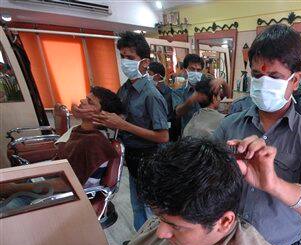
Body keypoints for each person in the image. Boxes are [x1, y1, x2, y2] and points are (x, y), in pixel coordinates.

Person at [78, 138, 300, 245]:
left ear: (224, 221)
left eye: (175, 226)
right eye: (159, 219)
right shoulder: (173, 219)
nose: (160, 233)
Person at [213, 24, 301, 245]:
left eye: (275, 77)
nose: (262, 83)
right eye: (256, 75)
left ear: (295, 80)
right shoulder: (229, 125)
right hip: (225, 244)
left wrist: (274, 184)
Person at [74, 31, 169, 231]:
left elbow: (163, 136)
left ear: (144, 62)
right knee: (137, 206)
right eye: (122, 57)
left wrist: (124, 125)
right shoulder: (124, 90)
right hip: (132, 158)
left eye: (130, 58)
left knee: (151, 209)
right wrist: (94, 117)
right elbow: (117, 119)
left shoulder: (152, 95)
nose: (125, 62)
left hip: (150, 159)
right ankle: (139, 243)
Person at [172, 54, 231, 131]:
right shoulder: (179, 90)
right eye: (192, 69)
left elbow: (227, 95)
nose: (196, 72)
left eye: (199, 70)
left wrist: (223, 83)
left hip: (209, 130)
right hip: (189, 132)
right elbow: (178, 112)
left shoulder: (208, 86)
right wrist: (191, 99)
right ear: (185, 70)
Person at [148, 61, 180, 142]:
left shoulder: (170, 93)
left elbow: (173, 116)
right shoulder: (147, 92)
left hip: (168, 134)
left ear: (157, 76)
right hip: (151, 134)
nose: (145, 76)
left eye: (148, 73)